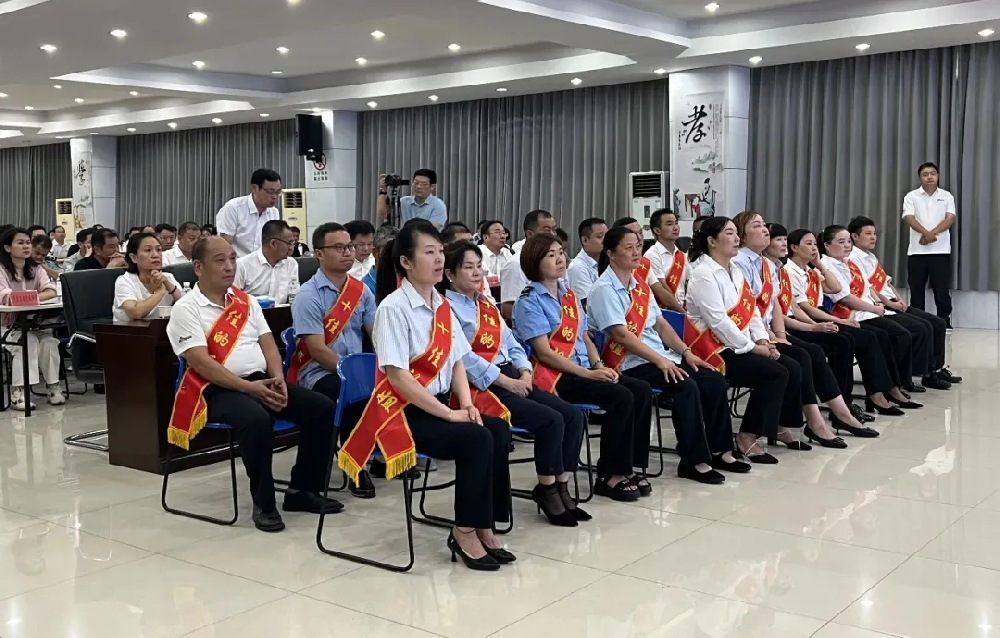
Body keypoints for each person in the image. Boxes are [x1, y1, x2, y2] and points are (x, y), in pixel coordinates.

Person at [340, 219, 514, 571]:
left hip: (439, 403)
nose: (438, 259)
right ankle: (464, 531)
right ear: (406, 261)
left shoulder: (442, 304)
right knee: (477, 440)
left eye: (440, 252)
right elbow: (398, 377)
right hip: (401, 412)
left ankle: (483, 523)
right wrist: (449, 415)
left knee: (496, 429)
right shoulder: (393, 308)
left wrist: (467, 404)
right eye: (429, 252)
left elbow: (457, 361)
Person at [166, 236, 340, 533]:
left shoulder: (244, 301)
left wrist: (278, 379)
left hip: (260, 381)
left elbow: (268, 343)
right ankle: (264, 503)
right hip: (211, 390)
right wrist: (249, 389)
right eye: (220, 260)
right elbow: (201, 363)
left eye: (233, 259)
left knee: (321, 408)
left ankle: (303, 490)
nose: (229, 266)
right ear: (198, 267)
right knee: (256, 419)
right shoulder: (186, 308)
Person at [442, 240, 590, 525]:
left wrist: (524, 370)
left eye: (479, 266)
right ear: (449, 274)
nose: (477, 272)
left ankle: (562, 486)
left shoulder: (485, 304)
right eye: (468, 267)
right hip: (482, 386)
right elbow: (464, 359)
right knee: (550, 420)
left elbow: (511, 342)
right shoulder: (446, 310)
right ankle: (547, 490)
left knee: (571, 416)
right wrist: (505, 382)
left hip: (512, 375)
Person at [588, 226, 750, 483]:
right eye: (628, 248)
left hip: (660, 358)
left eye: (638, 247)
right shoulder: (603, 289)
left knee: (713, 380)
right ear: (610, 253)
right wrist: (660, 360)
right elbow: (621, 336)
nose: (636, 252)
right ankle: (693, 461)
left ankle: (720, 450)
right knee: (685, 386)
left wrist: (686, 352)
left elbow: (661, 325)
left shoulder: (639, 285)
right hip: (628, 363)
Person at [513, 233, 653, 502]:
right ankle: (611, 475)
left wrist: (599, 365)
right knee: (620, 396)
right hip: (556, 377)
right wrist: (589, 373)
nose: (560, 259)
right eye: (550, 255)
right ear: (534, 261)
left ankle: (629, 466)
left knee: (640, 389)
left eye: (561, 252)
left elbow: (585, 337)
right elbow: (545, 353)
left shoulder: (568, 294)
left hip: (584, 370)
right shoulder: (529, 301)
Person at [730, 212, 855, 448]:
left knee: (810, 353)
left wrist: (779, 335)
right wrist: (770, 337)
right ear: (742, 235)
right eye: (757, 226)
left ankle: (830, 416)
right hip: (746, 335)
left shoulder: (766, 264)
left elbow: (775, 304)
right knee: (799, 358)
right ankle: (808, 423)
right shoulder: (738, 263)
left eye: (764, 225)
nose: (765, 230)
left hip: (766, 331)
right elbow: (749, 310)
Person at [684, 216, 790, 464]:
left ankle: (757, 432)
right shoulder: (703, 274)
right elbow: (718, 322)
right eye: (729, 233)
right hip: (712, 349)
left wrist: (762, 340)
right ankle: (746, 436)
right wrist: (752, 348)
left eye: (736, 233)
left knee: (786, 367)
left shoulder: (735, 271)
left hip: (736, 344)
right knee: (774, 372)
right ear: (712, 241)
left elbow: (751, 312)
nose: (736, 238)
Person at [289, 222, 377, 498]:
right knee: (352, 394)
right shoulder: (308, 296)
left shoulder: (361, 291)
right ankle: (355, 466)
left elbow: (376, 334)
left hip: (355, 369)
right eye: (339, 248)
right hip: (318, 373)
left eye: (349, 246)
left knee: (387, 388)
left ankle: (379, 456)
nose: (348, 252)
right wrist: (354, 377)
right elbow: (317, 350)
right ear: (319, 253)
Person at [785, 229, 910, 417]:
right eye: (808, 244)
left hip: (820, 315)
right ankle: (845, 401)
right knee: (847, 341)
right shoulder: (789, 271)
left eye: (814, 244)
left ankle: (878, 392)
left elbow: (835, 287)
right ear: (794, 247)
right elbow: (804, 308)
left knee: (869, 337)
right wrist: (835, 322)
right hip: (806, 319)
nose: (813, 248)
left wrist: (819, 265)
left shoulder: (811, 271)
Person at [820, 225, 924, 412]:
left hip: (868, 310)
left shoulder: (849, 262)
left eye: (848, 242)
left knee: (890, 335)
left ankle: (890, 388)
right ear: (827, 245)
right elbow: (844, 298)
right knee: (888, 335)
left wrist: (879, 303)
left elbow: (869, 288)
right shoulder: (826, 265)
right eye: (841, 242)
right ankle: (881, 392)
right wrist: (874, 309)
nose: (847, 246)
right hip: (850, 314)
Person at [848, 216, 960, 388]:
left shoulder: (870, 257)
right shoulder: (852, 259)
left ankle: (936, 369)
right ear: (855, 236)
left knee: (937, 323)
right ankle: (920, 373)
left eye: (874, 233)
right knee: (920, 328)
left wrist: (899, 298)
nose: (873, 237)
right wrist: (891, 304)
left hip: (892, 302)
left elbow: (886, 283)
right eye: (868, 233)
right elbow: (870, 289)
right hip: (880, 306)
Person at [0, 228, 64, 409]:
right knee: (27, 343)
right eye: (20, 243)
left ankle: (53, 387)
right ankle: (19, 392)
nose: (26, 246)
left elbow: (51, 291)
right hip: (6, 326)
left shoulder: (36, 268)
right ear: (7, 248)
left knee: (50, 342)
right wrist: (34, 297)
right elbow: (8, 298)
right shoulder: (1, 270)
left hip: (33, 324)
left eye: (28, 242)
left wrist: (29, 298)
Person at [903, 162, 955, 327]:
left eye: (933, 173)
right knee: (916, 289)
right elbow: (908, 217)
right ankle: (919, 322)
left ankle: (944, 321)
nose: (930, 177)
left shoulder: (947, 196)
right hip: (916, 252)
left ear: (938, 176)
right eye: (925, 174)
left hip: (941, 251)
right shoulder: (911, 196)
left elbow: (950, 218)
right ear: (920, 177)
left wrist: (931, 234)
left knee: (942, 290)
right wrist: (926, 234)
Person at [113, 232, 184, 324]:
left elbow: (186, 305)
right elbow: (135, 313)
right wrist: (159, 292)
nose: (156, 255)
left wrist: (169, 286)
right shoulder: (124, 281)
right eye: (148, 250)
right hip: (129, 331)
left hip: (161, 329)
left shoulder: (167, 277)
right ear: (134, 258)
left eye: (158, 250)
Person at [500, 210, 558, 320]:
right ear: (530, 234)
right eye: (547, 230)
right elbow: (508, 309)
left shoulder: (556, 260)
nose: (553, 235)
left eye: (554, 230)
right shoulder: (516, 264)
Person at [217, 168, 282, 257]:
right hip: (237, 263)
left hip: (262, 263)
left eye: (278, 192)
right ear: (255, 188)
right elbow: (225, 246)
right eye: (270, 192)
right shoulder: (233, 208)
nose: (274, 196)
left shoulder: (274, 212)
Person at [233, 220, 299, 304]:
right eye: (289, 243)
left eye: (293, 243)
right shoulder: (242, 265)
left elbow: (294, 298)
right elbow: (233, 300)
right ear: (273, 243)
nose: (292, 248)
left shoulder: (291, 264)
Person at [645, 209, 689, 313]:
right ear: (657, 230)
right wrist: (683, 313)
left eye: (676, 223)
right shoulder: (652, 255)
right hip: (663, 312)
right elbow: (661, 290)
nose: (675, 228)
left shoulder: (682, 255)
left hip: (683, 308)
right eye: (669, 224)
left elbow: (690, 285)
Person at [376, 169, 447, 228]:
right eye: (416, 183)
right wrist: (383, 190)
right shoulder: (404, 201)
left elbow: (430, 230)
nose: (418, 187)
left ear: (432, 187)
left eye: (423, 184)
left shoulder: (438, 205)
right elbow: (382, 214)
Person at [565, 218, 607, 302]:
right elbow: (588, 304)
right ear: (585, 240)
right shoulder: (578, 268)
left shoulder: (609, 260)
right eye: (600, 236)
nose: (606, 240)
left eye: (607, 236)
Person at [365, 224, 398, 293]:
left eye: (397, 249)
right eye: (389, 250)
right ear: (375, 252)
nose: (395, 254)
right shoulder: (364, 288)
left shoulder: (406, 282)